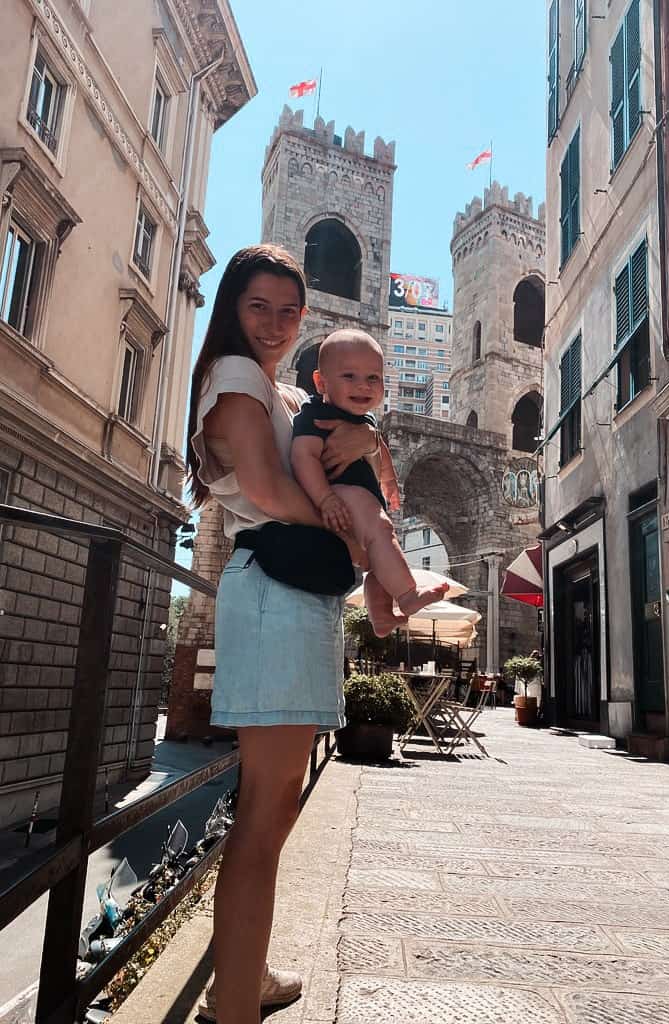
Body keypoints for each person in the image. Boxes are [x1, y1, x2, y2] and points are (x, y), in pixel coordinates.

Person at [185, 244, 380, 1024]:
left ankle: (242, 971)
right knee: (266, 811)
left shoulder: (278, 390)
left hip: (287, 599)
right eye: (258, 306)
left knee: (276, 808)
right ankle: (234, 1006)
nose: (274, 322)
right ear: (234, 308)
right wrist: (353, 531)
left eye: (289, 310)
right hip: (275, 594)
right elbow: (269, 489)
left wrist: (366, 444)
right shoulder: (236, 379)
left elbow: (346, 438)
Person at [290, 329, 448, 636]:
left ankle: (381, 616)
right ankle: (408, 595)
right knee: (383, 532)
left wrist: (388, 480)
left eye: (373, 378)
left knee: (377, 562)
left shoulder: (367, 422)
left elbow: (379, 449)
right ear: (321, 382)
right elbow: (303, 457)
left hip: (359, 498)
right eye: (349, 376)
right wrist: (325, 499)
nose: (363, 385)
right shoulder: (315, 414)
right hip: (341, 494)